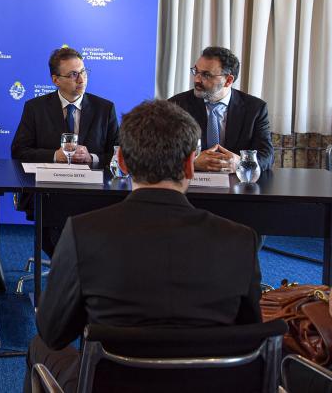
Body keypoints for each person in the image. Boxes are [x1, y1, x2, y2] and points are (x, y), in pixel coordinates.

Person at [24, 100, 262, 393]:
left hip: (109, 383)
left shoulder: (83, 232)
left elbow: (53, 332)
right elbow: (252, 335)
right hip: (210, 384)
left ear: (121, 161)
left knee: (39, 346)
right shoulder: (241, 239)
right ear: (190, 165)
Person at [11, 46, 120, 256]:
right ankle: (68, 272)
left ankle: (71, 273)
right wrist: (54, 156)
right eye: (73, 74)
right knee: (55, 237)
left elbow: (119, 155)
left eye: (83, 72)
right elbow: (19, 150)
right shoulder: (35, 108)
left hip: (92, 194)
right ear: (55, 80)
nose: (81, 79)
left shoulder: (105, 109)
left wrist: (92, 157)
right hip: (51, 192)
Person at [169, 45, 273, 173]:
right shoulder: (176, 106)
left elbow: (266, 156)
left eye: (206, 75)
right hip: (191, 186)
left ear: (228, 80)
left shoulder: (255, 109)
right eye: (196, 71)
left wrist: (241, 164)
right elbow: (160, 154)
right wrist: (192, 162)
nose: (196, 79)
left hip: (237, 186)